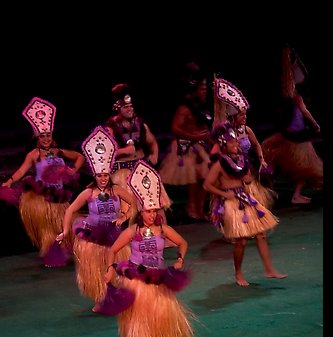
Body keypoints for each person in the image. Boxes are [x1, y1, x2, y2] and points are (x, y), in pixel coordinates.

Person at [99, 161, 195, 337]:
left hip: (158, 278)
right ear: (141, 212)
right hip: (137, 279)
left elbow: (183, 243)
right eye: (148, 211)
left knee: (160, 314)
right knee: (139, 316)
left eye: (154, 211)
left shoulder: (163, 230)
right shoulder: (132, 231)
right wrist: (109, 269)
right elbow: (113, 249)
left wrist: (179, 259)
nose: (151, 215)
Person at [0, 97, 85, 267]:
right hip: (43, 198)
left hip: (59, 197)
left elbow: (79, 156)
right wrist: (9, 181)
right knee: (47, 230)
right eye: (43, 136)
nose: (46, 139)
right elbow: (22, 171)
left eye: (48, 135)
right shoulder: (34, 154)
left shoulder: (58, 151)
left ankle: (63, 253)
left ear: (52, 136)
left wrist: (74, 169)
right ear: (38, 137)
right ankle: (52, 256)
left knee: (64, 225)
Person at [56, 126, 137, 303]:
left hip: (114, 236)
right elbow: (70, 210)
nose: (103, 178)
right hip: (94, 237)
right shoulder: (89, 193)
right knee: (98, 271)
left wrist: (124, 216)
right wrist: (65, 231)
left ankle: (118, 295)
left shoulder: (117, 190)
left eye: (106, 175)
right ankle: (103, 298)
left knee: (117, 267)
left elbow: (135, 203)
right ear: (95, 175)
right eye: (100, 175)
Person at [204, 122, 287, 286]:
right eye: (233, 142)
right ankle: (238, 274)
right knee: (241, 241)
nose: (237, 144)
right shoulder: (219, 164)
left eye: (236, 142)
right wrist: (222, 193)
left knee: (261, 233)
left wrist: (251, 177)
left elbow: (246, 178)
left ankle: (269, 269)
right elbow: (207, 185)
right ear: (223, 145)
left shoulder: (242, 160)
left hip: (244, 198)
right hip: (231, 203)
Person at [261, 46, 322, 204]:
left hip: (290, 134)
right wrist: (315, 125)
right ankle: (271, 188)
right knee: (306, 166)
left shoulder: (289, 94)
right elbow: (305, 112)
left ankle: (294, 194)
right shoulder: (295, 96)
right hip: (295, 136)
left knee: (297, 165)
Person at [105, 84, 172, 221]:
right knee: (128, 207)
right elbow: (106, 154)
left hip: (140, 167)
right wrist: (124, 151)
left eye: (131, 107)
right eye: (126, 107)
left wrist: (154, 154)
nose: (130, 110)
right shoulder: (111, 128)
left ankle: (162, 234)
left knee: (153, 201)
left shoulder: (140, 124)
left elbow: (152, 141)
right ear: (118, 109)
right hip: (122, 172)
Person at [211, 77, 276, 209]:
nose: (245, 117)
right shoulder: (226, 133)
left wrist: (261, 159)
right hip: (232, 170)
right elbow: (215, 151)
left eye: (245, 114)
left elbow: (257, 145)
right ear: (233, 117)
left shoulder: (247, 130)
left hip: (248, 166)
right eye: (242, 115)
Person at [159, 64, 213, 221]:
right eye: (202, 89)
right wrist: (194, 136)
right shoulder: (185, 107)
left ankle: (199, 209)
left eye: (206, 89)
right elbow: (175, 128)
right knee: (195, 178)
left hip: (202, 146)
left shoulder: (202, 107)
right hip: (187, 146)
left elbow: (204, 125)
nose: (205, 92)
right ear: (195, 89)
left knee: (205, 177)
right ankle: (192, 209)